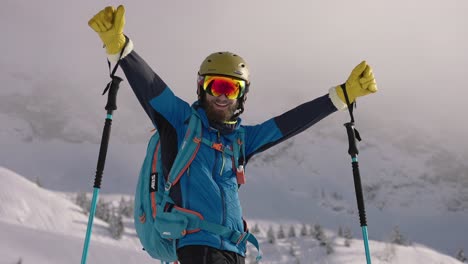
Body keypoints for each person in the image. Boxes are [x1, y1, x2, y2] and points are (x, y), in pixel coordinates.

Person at [88, 5, 377, 264]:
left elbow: (287, 124)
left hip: (235, 251)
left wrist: (340, 96)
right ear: (202, 88)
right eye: (217, 87)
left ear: (242, 95)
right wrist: (121, 48)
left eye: (232, 89)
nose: (223, 97)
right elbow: (151, 86)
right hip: (196, 248)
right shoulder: (181, 122)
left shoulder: (240, 141)